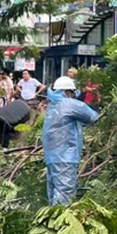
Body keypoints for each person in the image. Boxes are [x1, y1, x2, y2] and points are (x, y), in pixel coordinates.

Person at [42, 76, 99, 206]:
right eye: (73, 93)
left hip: (51, 156)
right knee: (64, 194)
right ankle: (60, 223)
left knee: (53, 192)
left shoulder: (52, 105)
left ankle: (49, 222)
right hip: (65, 156)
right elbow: (92, 117)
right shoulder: (70, 104)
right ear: (68, 92)